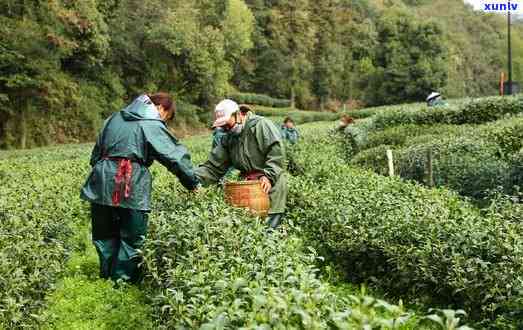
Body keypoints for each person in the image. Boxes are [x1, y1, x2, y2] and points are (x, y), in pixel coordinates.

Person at [80, 93, 200, 283]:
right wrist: (192, 183)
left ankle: (107, 277)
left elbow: (95, 155)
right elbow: (173, 156)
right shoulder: (151, 123)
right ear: (161, 109)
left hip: (102, 179)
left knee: (104, 233)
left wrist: (106, 171)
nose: (163, 121)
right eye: (166, 118)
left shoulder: (113, 118)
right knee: (132, 235)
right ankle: (123, 282)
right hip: (132, 181)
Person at [195, 99, 287, 229]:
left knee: (268, 230)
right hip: (246, 189)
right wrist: (192, 178)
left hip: (269, 184)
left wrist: (269, 176)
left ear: (237, 114)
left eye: (227, 124)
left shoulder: (260, 125)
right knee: (247, 230)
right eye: (222, 127)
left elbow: (277, 153)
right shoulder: (228, 138)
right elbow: (214, 167)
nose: (225, 129)